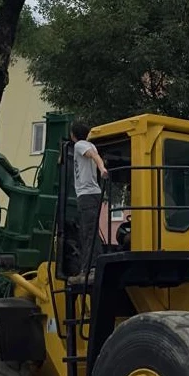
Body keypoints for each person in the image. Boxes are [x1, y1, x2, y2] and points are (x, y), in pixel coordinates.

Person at [70, 120, 107, 283]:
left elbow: (94, 156)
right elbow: (95, 155)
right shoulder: (90, 145)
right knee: (88, 232)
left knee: (89, 233)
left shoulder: (80, 146)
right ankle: (86, 269)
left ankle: (92, 269)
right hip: (92, 194)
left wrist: (102, 168)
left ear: (73, 135)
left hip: (87, 194)